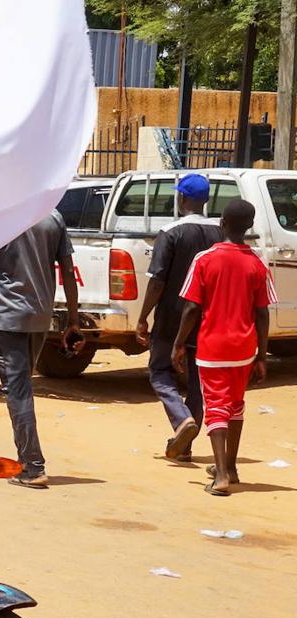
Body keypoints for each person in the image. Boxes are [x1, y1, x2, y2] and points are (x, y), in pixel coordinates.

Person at [0, 210, 83, 488]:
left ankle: (33, 466)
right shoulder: (54, 216)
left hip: (7, 316)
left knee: (18, 391)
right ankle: (30, 462)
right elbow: (68, 270)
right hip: (39, 316)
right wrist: (73, 318)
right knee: (22, 388)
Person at [173, 199, 276, 496]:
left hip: (213, 346)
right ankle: (230, 466)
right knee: (235, 405)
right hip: (244, 347)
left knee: (216, 406)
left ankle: (220, 476)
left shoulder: (205, 259)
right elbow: (262, 312)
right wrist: (261, 354)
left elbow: (191, 308)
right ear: (249, 227)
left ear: (222, 223)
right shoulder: (256, 262)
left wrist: (178, 343)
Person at [137, 173, 222, 463]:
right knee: (198, 380)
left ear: (182, 198)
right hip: (207, 318)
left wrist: (142, 317)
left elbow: (157, 281)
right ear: (207, 199)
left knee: (160, 371)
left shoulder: (171, 232)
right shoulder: (220, 233)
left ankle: (181, 418)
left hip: (172, 317)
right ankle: (185, 446)